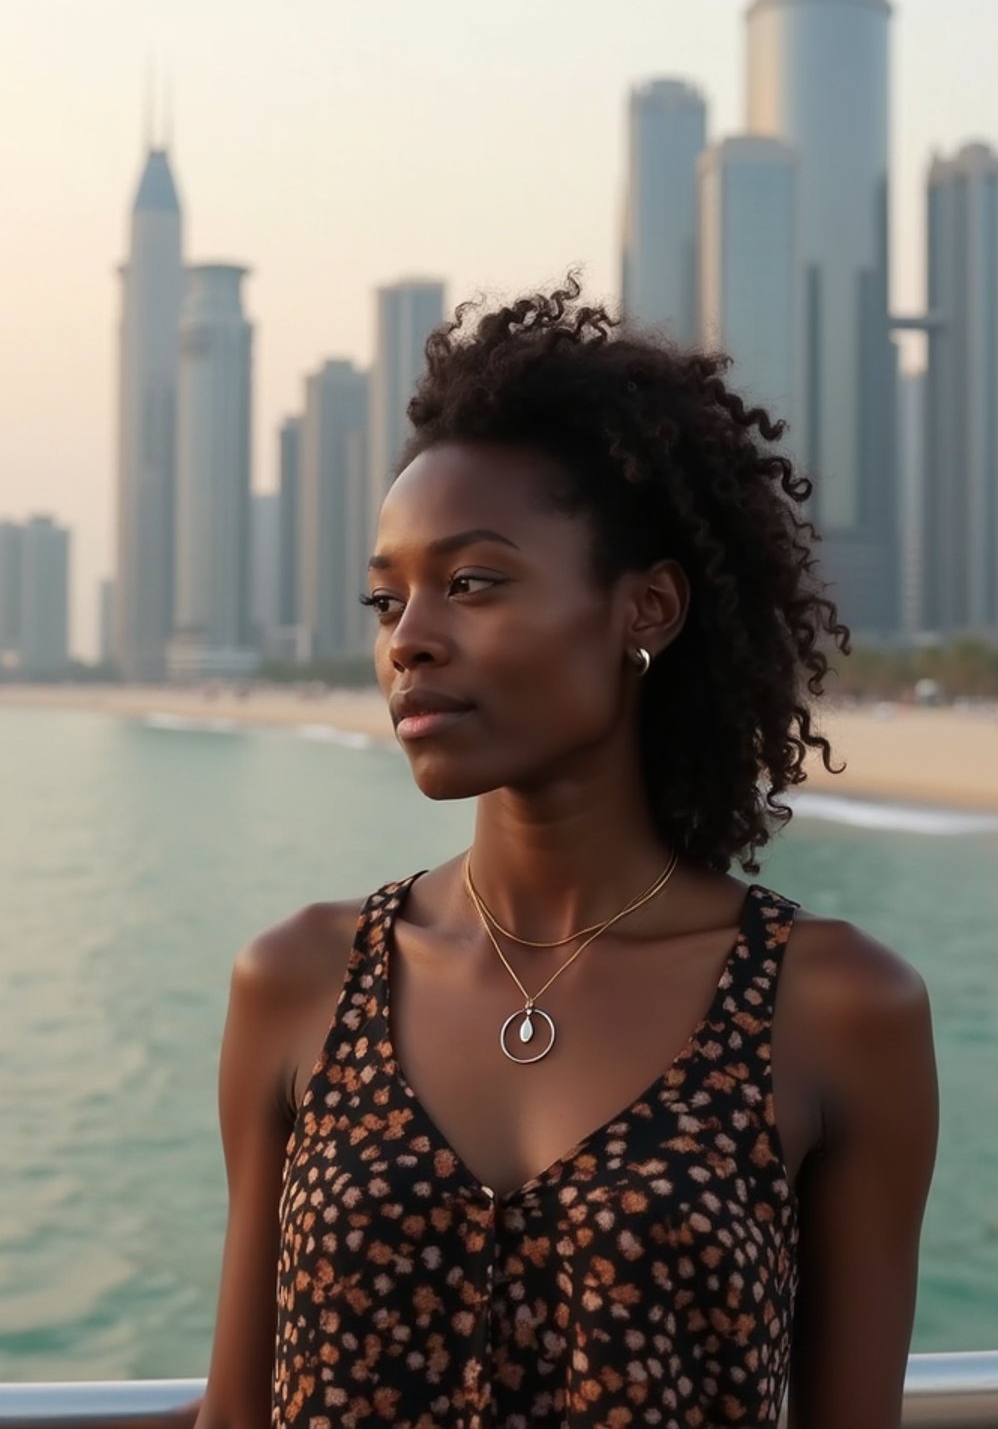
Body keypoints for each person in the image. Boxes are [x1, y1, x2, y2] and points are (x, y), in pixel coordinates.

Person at [194, 277, 938, 1429]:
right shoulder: (297, 980)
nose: (411, 642)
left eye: (473, 583)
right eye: (385, 600)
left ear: (645, 609)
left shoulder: (838, 1009)